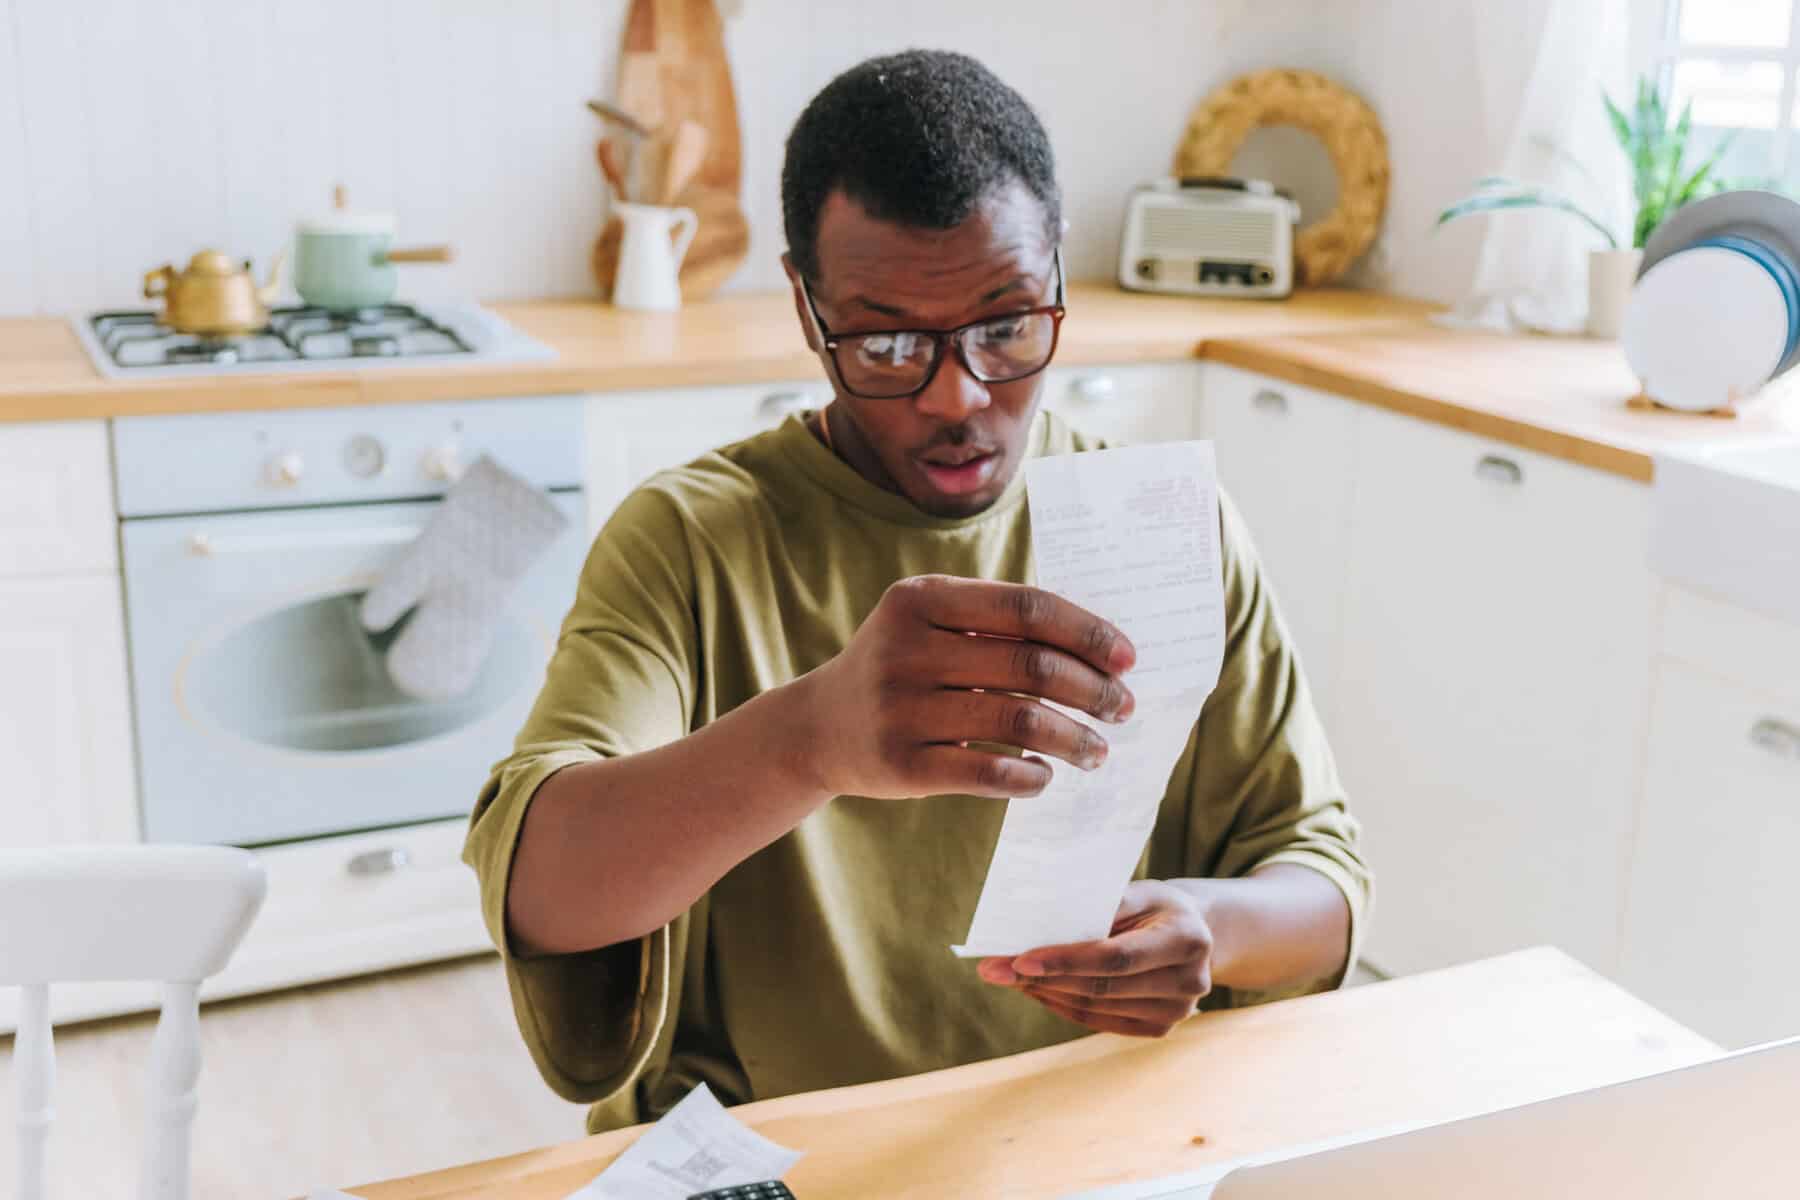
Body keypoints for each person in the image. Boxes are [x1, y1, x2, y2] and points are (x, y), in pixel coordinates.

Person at [467, 48, 1370, 1133]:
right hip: (777, 1152)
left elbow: (1320, 880)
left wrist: (1210, 927)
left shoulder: (1160, 524)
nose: (960, 397)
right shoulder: (693, 540)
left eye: (1006, 325)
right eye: (886, 341)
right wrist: (810, 741)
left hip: (1074, 1132)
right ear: (807, 311)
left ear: (1058, 279)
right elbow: (542, 897)